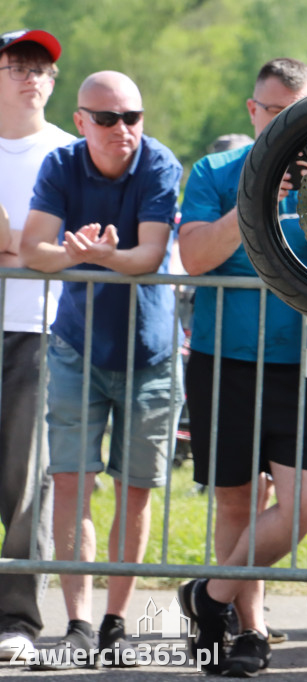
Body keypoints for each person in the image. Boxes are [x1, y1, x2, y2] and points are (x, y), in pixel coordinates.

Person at [174, 57, 307, 678]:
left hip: (300, 366)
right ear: (253, 112)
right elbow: (193, 258)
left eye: (299, 115)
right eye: (275, 114)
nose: (286, 126)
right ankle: (248, 632)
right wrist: (258, 197)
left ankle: (208, 596)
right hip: (222, 361)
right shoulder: (216, 171)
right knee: (236, 505)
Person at [19, 70, 183, 668]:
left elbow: (147, 253)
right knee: (71, 483)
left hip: (151, 354)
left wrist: (98, 256)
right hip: (75, 347)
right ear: (82, 119)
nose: (124, 130)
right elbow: (34, 250)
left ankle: (117, 620)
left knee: (134, 493)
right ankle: (79, 623)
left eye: (133, 117)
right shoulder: (62, 165)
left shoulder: (160, 163)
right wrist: (72, 254)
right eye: (109, 119)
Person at [0, 28, 76, 663]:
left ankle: (18, 618)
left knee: (27, 482)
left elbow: (63, 249)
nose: (32, 76)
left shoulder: (69, 154)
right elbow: (35, 246)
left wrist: (21, 244)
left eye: (42, 67)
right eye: (18, 64)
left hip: (39, 329)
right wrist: (30, 245)